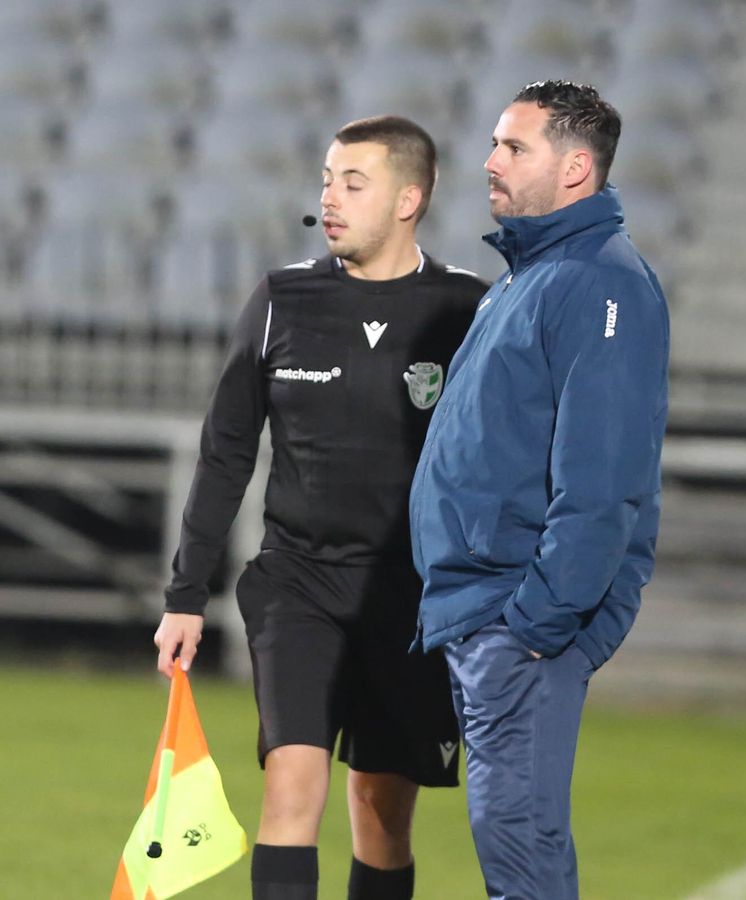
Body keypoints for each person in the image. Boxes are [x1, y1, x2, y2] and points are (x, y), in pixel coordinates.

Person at [152, 115, 487, 900]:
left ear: (409, 199)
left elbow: (498, 463)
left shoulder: (468, 311)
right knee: (290, 788)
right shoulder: (281, 300)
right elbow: (226, 451)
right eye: (327, 181)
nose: (330, 199)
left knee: (379, 814)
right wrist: (185, 595)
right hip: (297, 587)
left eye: (353, 183)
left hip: (410, 602)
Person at [408, 81, 669, 899]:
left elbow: (603, 480)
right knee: (513, 849)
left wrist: (536, 622)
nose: (490, 161)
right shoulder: (531, 276)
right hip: (481, 611)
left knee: (520, 856)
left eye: (514, 147)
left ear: (575, 168)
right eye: (494, 143)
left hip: (513, 618)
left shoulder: (600, 283)